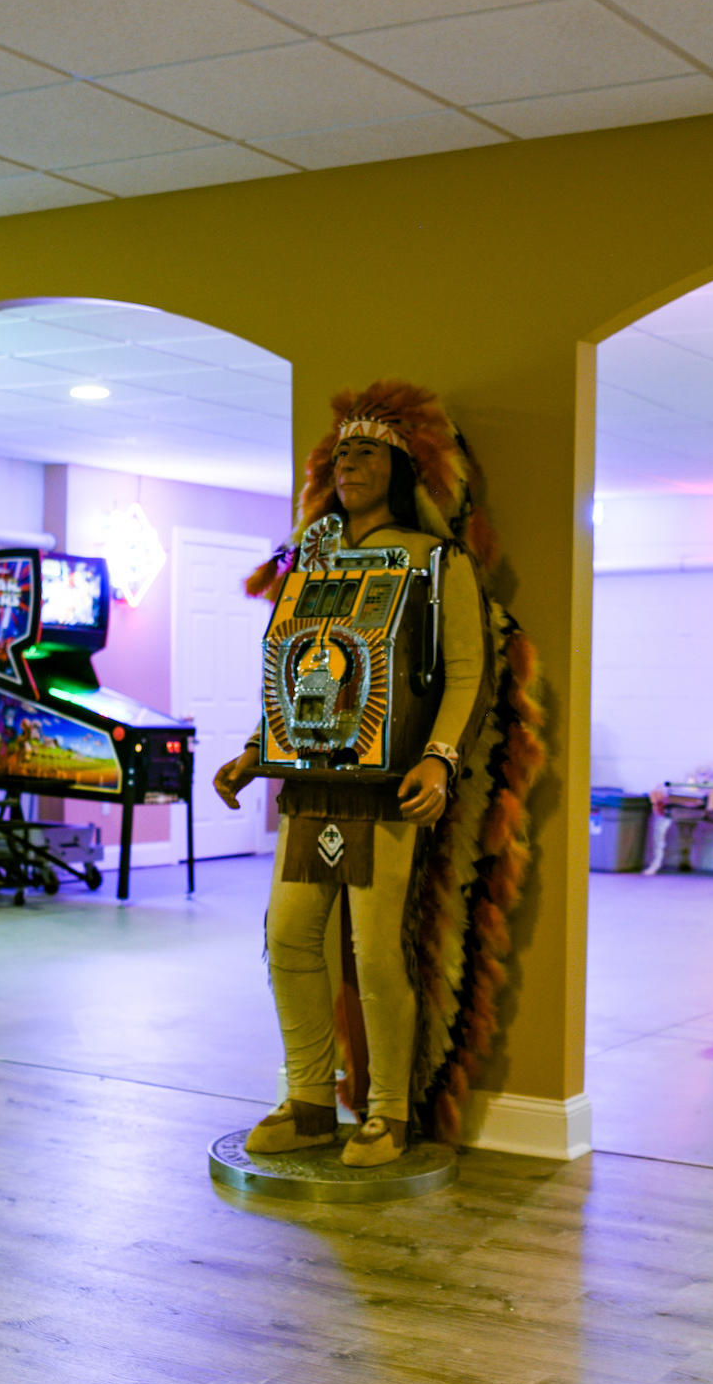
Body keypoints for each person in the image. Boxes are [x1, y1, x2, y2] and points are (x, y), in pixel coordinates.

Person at [214, 387, 500, 1169]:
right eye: (340, 451)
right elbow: (294, 666)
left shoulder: (435, 561)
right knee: (289, 938)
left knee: (376, 954)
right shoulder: (311, 559)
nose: (349, 462)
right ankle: (309, 1099)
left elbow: (466, 672)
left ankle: (388, 1114)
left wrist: (439, 757)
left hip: (389, 787)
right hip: (310, 782)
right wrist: (253, 749)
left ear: (403, 467)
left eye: (367, 449)